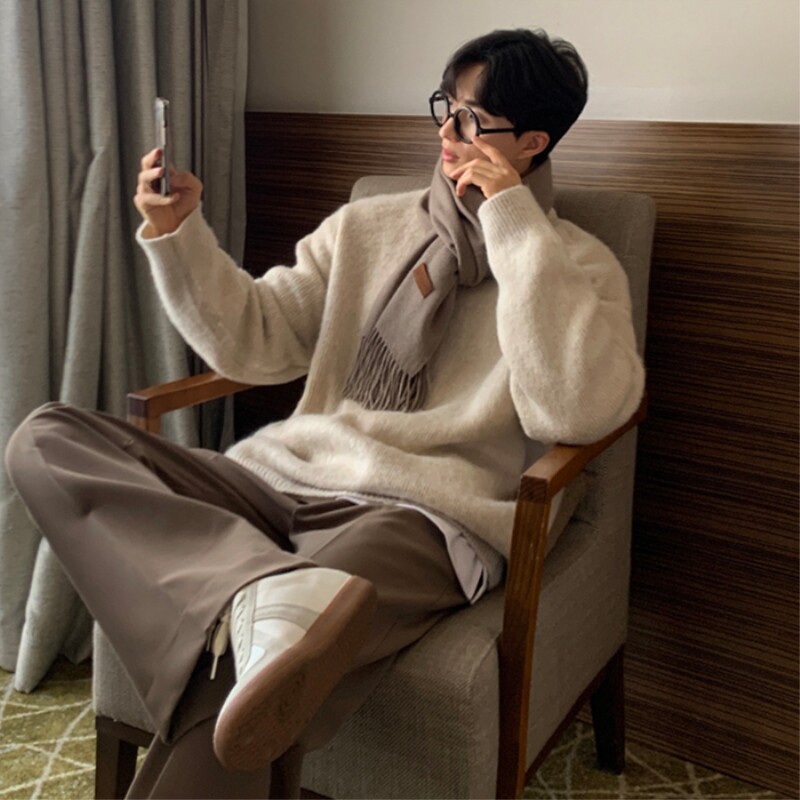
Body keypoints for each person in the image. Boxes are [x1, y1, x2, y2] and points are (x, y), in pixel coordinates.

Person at [5, 27, 644, 799]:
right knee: (48, 438)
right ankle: (262, 591)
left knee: (251, 675)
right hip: (281, 479)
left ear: (533, 142)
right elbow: (257, 340)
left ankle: (266, 610)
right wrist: (178, 234)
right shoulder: (369, 227)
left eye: (473, 119)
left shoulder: (576, 266)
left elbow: (573, 411)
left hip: (419, 519)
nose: (447, 131)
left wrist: (511, 221)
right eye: (445, 106)